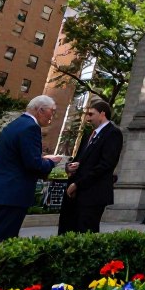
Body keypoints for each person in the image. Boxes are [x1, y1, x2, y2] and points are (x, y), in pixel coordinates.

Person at [0, 95, 63, 241]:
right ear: (40, 110)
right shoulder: (31, 128)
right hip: (12, 195)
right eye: (52, 111)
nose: (52, 116)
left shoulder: (14, 125)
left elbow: (18, 158)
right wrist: (52, 162)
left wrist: (40, 159)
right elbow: (33, 164)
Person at [57, 100, 124, 234]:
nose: (88, 118)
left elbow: (106, 165)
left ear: (102, 114)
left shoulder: (113, 134)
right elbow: (80, 159)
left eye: (91, 114)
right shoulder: (89, 134)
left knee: (84, 232)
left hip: (93, 194)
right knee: (67, 230)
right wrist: (70, 168)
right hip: (76, 193)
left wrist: (78, 184)